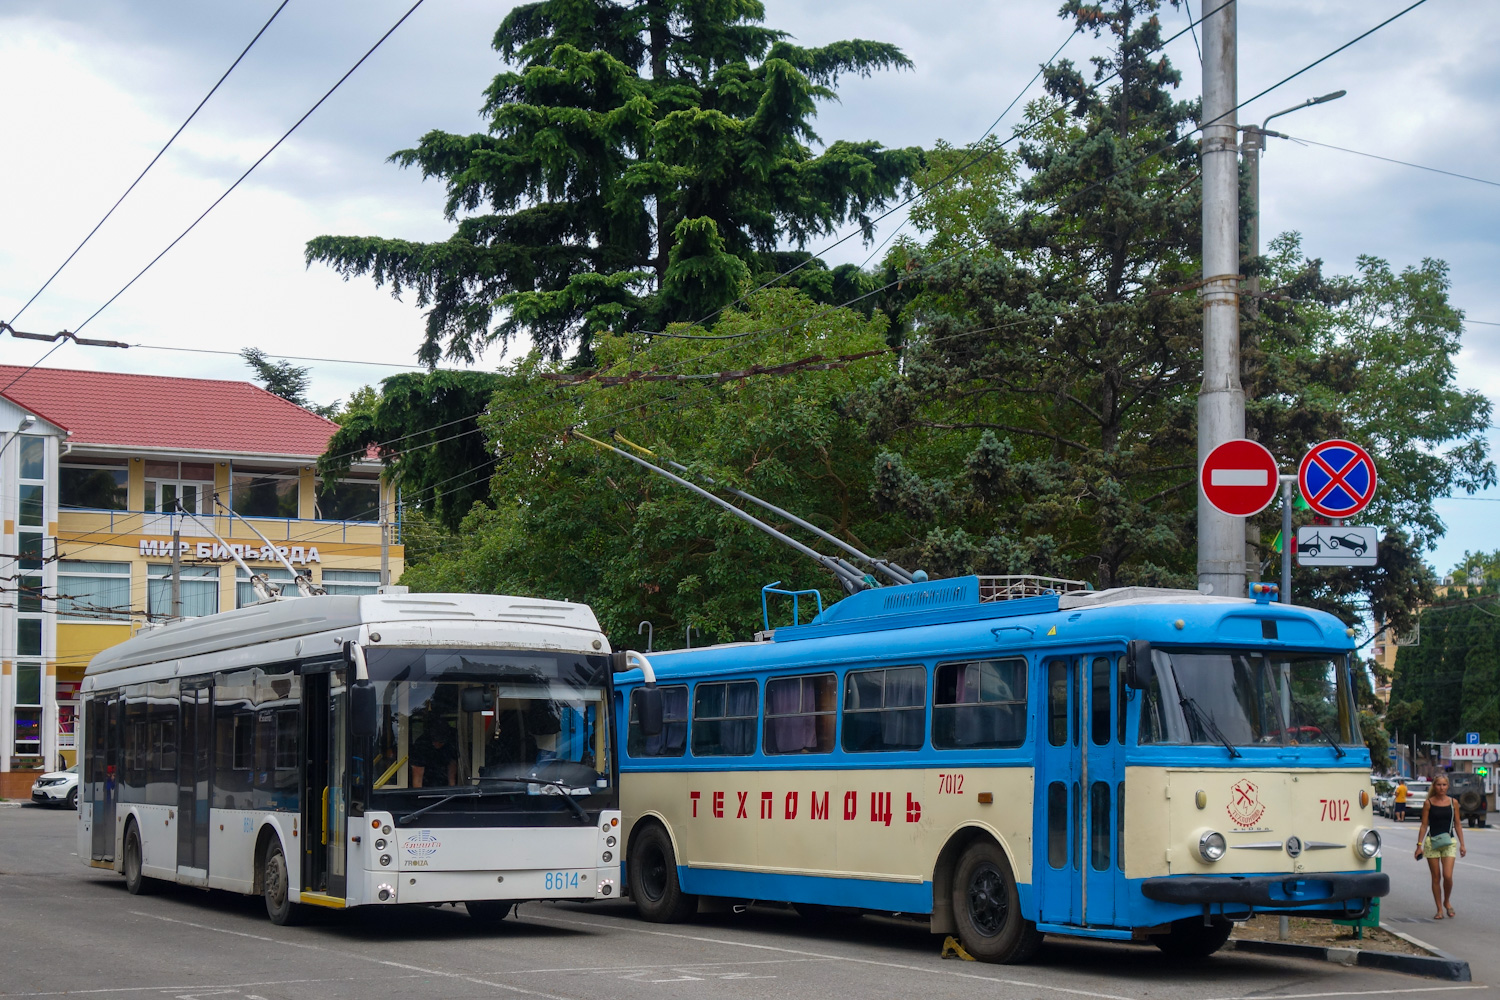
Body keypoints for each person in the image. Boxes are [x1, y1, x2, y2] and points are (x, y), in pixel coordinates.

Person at [1414, 773, 1466, 919]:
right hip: (1432, 842)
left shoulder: (1453, 802)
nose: (1441, 787)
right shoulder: (1428, 803)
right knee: (1436, 877)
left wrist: (1462, 844)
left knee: (1447, 875)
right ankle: (1439, 909)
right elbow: (1424, 825)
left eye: (1444, 785)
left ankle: (1447, 901)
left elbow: (1457, 823)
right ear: (1434, 786)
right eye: (1438, 785)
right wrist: (1419, 845)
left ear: (1447, 786)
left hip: (1449, 842)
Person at [409, 719, 458, 788]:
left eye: (441, 742)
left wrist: (452, 788)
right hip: (426, 783)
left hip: (443, 782)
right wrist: (418, 796)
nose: (437, 744)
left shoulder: (450, 744)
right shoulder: (421, 745)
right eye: (435, 741)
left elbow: (452, 764)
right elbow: (417, 779)